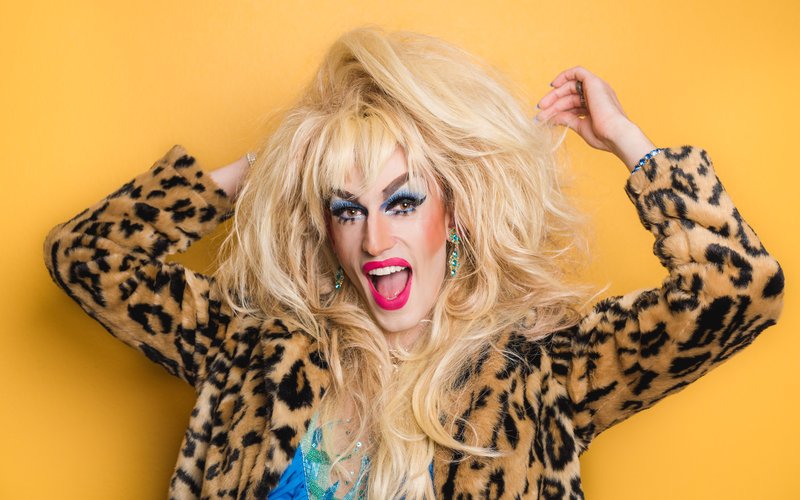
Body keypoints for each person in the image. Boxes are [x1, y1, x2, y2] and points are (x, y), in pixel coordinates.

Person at [42, 26, 784, 500]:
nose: (374, 240)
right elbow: (88, 255)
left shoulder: (539, 373)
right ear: (326, 230)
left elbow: (738, 289)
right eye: (346, 209)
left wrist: (627, 139)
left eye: (401, 203)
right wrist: (263, 169)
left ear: (453, 214)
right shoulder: (255, 354)